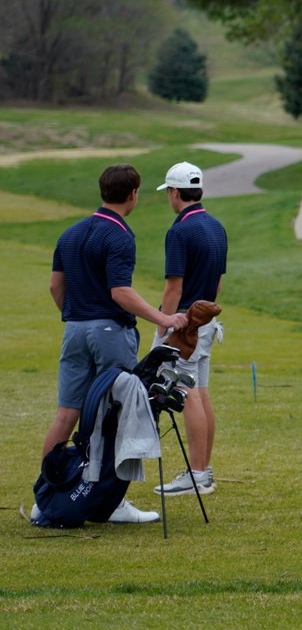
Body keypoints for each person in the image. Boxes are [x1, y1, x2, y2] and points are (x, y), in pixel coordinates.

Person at [45, 163, 187, 524]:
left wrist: (78, 315)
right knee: (116, 418)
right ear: (134, 194)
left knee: (67, 413)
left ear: (102, 190)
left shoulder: (71, 233)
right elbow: (120, 292)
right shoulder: (120, 236)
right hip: (109, 333)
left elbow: (55, 288)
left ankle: (46, 493)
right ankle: (110, 502)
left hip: (74, 329)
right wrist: (164, 319)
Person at [152, 162, 229, 497]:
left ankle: (196, 474)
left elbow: (173, 288)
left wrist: (162, 326)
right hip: (207, 321)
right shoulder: (216, 226)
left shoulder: (180, 231)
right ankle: (204, 470)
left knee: (189, 393)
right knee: (202, 391)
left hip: (184, 325)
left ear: (173, 192)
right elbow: (218, 283)